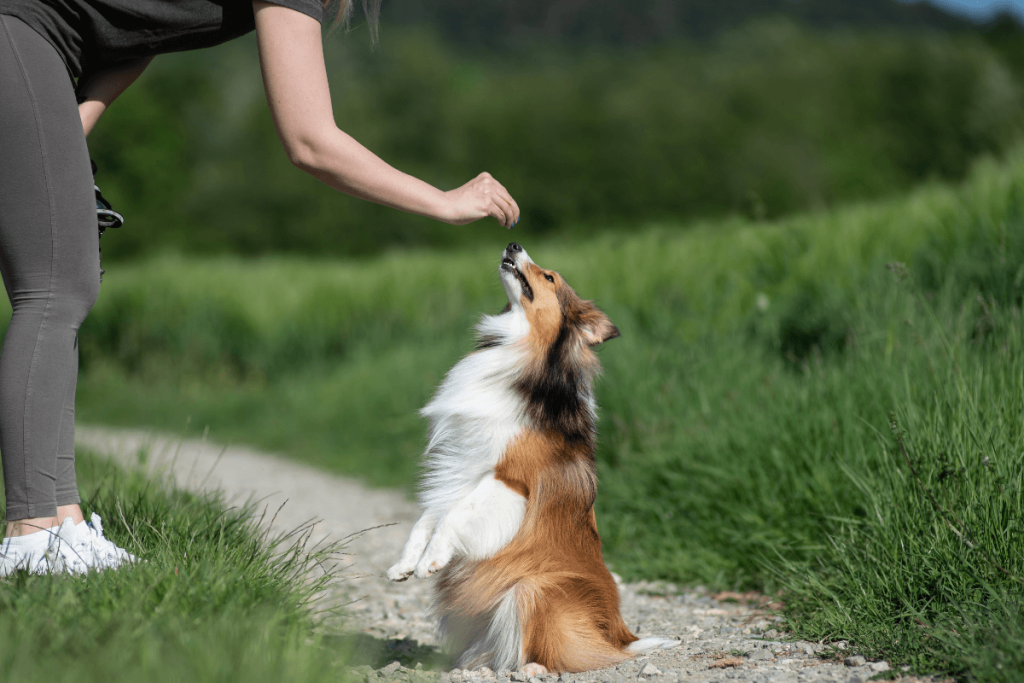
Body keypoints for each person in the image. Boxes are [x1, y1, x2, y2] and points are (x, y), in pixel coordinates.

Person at [0, 0, 521, 575]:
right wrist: (443, 201)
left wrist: (72, 127)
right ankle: (32, 532)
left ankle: (62, 524)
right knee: (55, 290)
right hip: (20, 35)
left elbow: (139, 26)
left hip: (34, 51)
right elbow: (310, 140)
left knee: (71, 282)